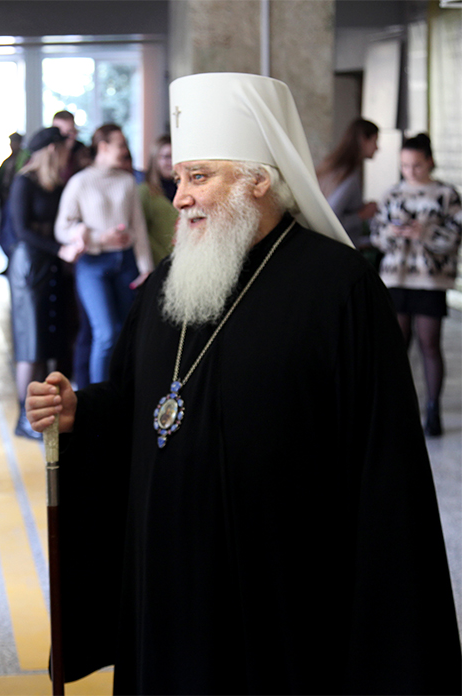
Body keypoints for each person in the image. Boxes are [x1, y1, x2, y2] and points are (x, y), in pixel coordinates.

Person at [27, 73, 460, 694]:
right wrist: (80, 414)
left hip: (279, 597)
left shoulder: (339, 290)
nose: (179, 198)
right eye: (179, 178)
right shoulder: (169, 284)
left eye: (199, 177)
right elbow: (135, 401)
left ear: (260, 179)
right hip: (168, 589)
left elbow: (384, 471)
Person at [370, 133, 462, 437]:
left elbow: (454, 238)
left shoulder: (447, 194)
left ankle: (432, 410)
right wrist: (396, 234)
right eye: (406, 166)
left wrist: (425, 233)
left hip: (431, 280)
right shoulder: (392, 194)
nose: (411, 172)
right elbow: (377, 235)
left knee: (429, 344)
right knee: (396, 348)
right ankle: (396, 411)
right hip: (396, 277)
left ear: (430, 162)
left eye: (417, 166)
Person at [55, 124, 153, 384]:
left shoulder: (128, 181)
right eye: (120, 144)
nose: (125, 150)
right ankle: (99, 400)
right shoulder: (80, 182)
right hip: (92, 266)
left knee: (126, 335)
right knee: (106, 334)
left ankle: (121, 395)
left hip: (126, 263)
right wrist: (98, 238)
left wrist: (146, 269)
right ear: (104, 147)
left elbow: (138, 228)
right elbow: (61, 229)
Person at [7, 127, 84, 439]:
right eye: (64, 148)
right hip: (29, 268)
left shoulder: (58, 184)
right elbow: (21, 230)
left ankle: (42, 415)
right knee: (31, 342)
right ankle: (23, 418)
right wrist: (60, 249)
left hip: (53, 266)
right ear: (52, 149)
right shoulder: (24, 182)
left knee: (51, 338)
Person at [317, 118, 380, 249]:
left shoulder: (332, 168)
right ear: (363, 139)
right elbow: (331, 219)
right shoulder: (349, 176)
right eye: (375, 141)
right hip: (339, 250)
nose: (377, 148)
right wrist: (363, 214)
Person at [140, 134, 177, 265]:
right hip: (158, 262)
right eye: (166, 157)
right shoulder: (145, 191)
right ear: (155, 159)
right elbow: (142, 233)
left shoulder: (185, 190)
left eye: (175, 156)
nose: (171, 162)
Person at [0, 132, 27, 262]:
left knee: (15, 232)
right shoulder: (7, 161)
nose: (13, 145)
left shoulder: (25, 158)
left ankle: (16, 262)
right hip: (5, 200)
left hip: (17, 201)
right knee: (5, 233)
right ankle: (10, 262)